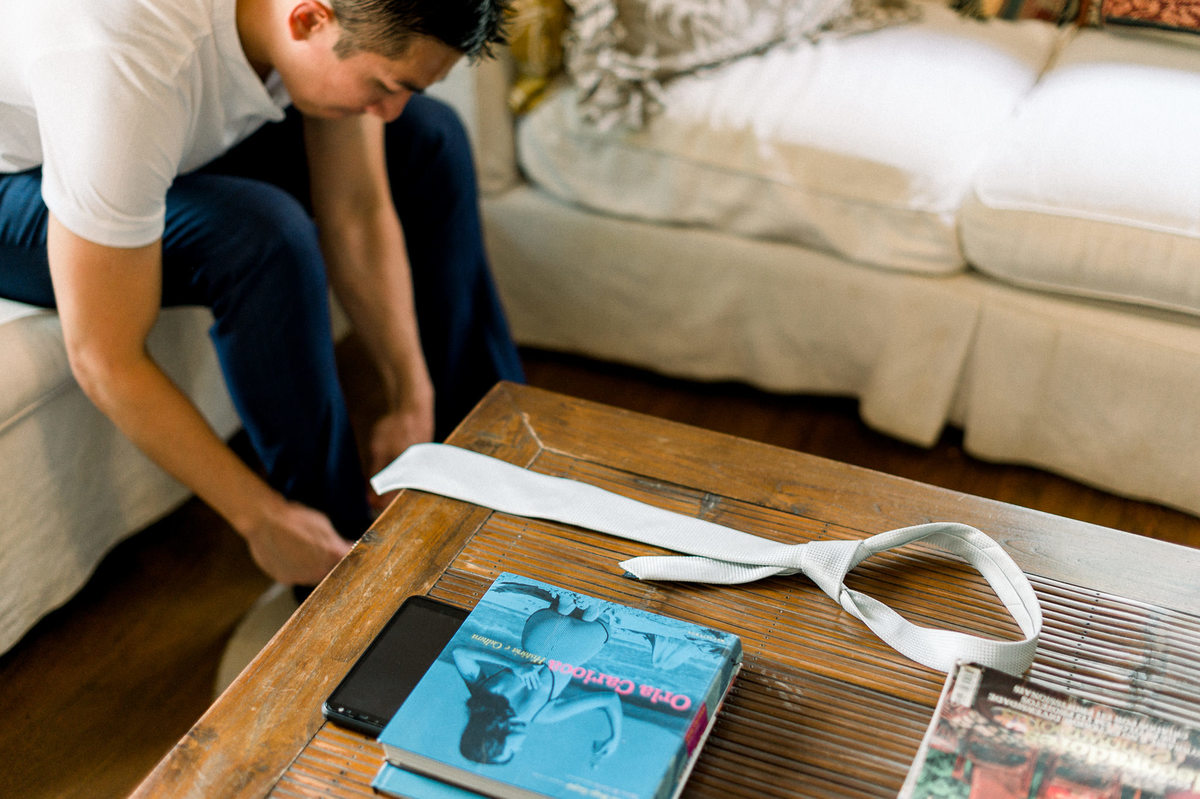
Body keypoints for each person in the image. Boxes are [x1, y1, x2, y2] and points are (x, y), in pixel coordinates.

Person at [0, 0, 524, 588]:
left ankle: (495, 477)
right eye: (383, 86)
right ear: (308, 20)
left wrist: (411, 393)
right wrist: (261, 518)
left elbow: (354, 210)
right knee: (264, 237)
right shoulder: (124, 63)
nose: (389, 107)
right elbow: (103, 355)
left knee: (428, 136)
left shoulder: (335, 18)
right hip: (15, 174)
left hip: (131, 130)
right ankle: (341, 574)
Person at [451, 593, 623, 765]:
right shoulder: (483, 695)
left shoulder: (543, 715)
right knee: (551, 627)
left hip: (584, 640)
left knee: (597, 628)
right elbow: (459, 652)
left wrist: (614, 738)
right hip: (542, 628)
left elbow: (610, 699)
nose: (518, 749)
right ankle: (564, 608)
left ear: (498, 741)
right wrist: (514, 665)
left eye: (511, 751)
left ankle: (591, 615)